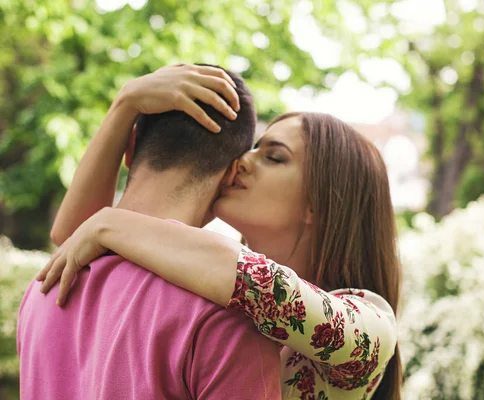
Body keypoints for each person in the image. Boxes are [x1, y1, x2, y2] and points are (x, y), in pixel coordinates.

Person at [39, 63, 403, 400]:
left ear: (320, 205)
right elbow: (76, 242)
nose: (242, 161)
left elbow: (260, 284)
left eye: (273, 157)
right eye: (254, 148)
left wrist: (110, 220)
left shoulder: (373, 325)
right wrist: (126, 104)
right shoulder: (208, 281)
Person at [17, 64, 282, 400]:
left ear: (128, 150)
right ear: (232, 175)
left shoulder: (44, 286)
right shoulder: (227, 311)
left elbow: (68, 232)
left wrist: (125, 103)